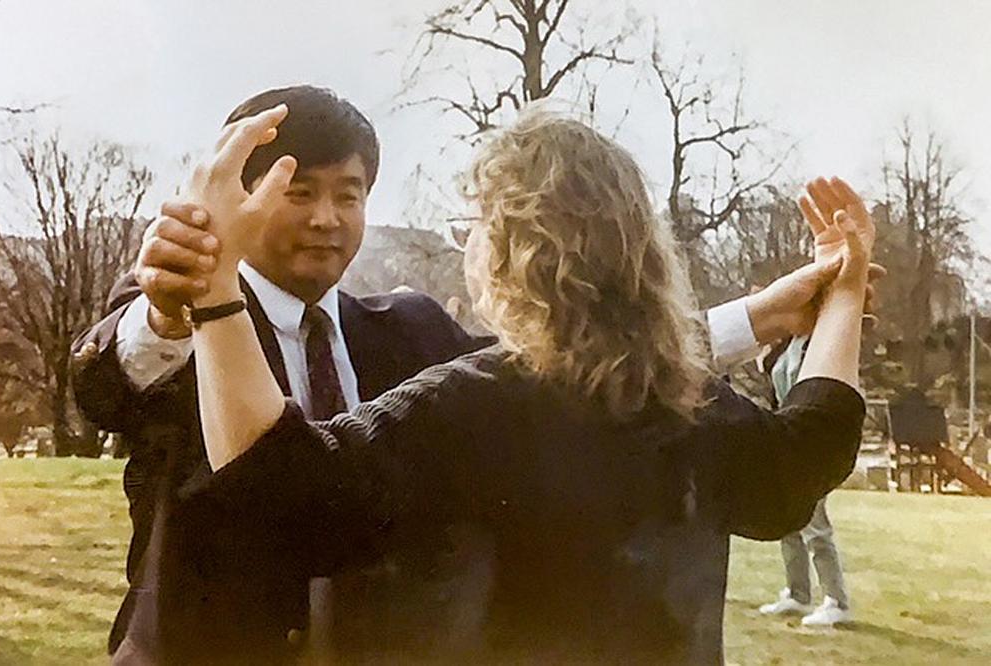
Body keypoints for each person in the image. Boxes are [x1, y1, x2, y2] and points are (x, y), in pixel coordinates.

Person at [69, 87, 873, 660]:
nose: (326, 216)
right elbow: (103, 386)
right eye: (300, 191)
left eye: (348, 193)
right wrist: (185, 306)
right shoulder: (164, 317)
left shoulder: (417, 330)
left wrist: (760, 315)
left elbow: (570, 379)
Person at [758, 336, 853, 626]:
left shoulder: (819, 342)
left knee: (815, 524)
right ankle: (798, 594)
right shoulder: (789, 344)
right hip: (788, 437)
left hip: (812, 441)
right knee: (788, 520)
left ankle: (836, 600)